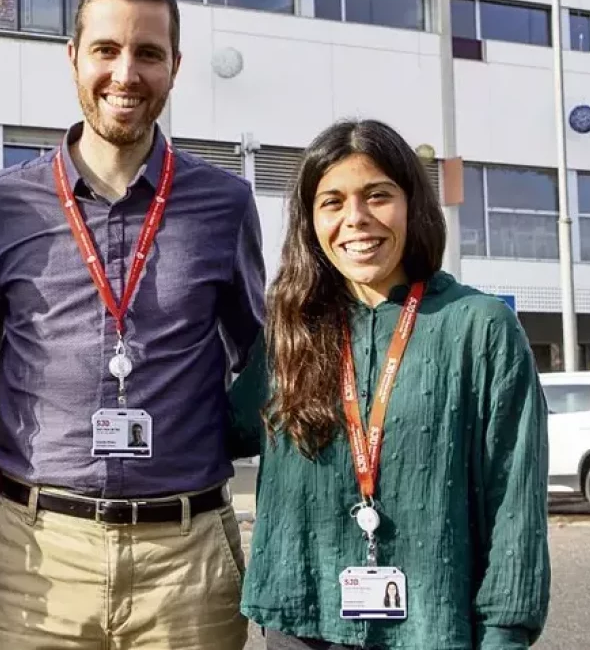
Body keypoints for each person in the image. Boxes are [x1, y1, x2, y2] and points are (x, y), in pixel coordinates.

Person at [0, 0, 265, 647]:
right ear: (73, 58)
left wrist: (214, 438)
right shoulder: (7, 204)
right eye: (106, 50)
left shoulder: (225, 204)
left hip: (186, 563)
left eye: (148, 54)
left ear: (174, 68)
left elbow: (259, 356)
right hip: (39, 560)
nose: (126, 73)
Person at [227, 119, 550, 649]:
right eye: (332, 202)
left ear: (413, 205)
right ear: (310, 222)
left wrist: (505, 634)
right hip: (299, 619)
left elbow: (514, 500)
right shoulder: (291, 330)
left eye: (377, 196)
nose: (355, 219)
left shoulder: (480, 327)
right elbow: (219, 430)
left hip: (432, 623)